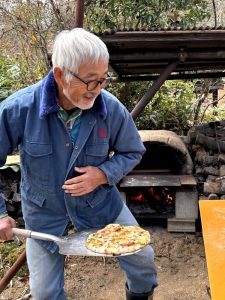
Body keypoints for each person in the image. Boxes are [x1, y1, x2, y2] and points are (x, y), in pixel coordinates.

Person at [0, 28, 157, 300]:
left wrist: (102, 174)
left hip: (100, 206)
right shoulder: (19, 109)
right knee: (45, 293)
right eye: (89, 81)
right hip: (44, 214)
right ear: (60, 74)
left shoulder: (110, 108)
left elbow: (132, 151)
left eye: (103, 80)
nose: (97, 90)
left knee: (143, 258)